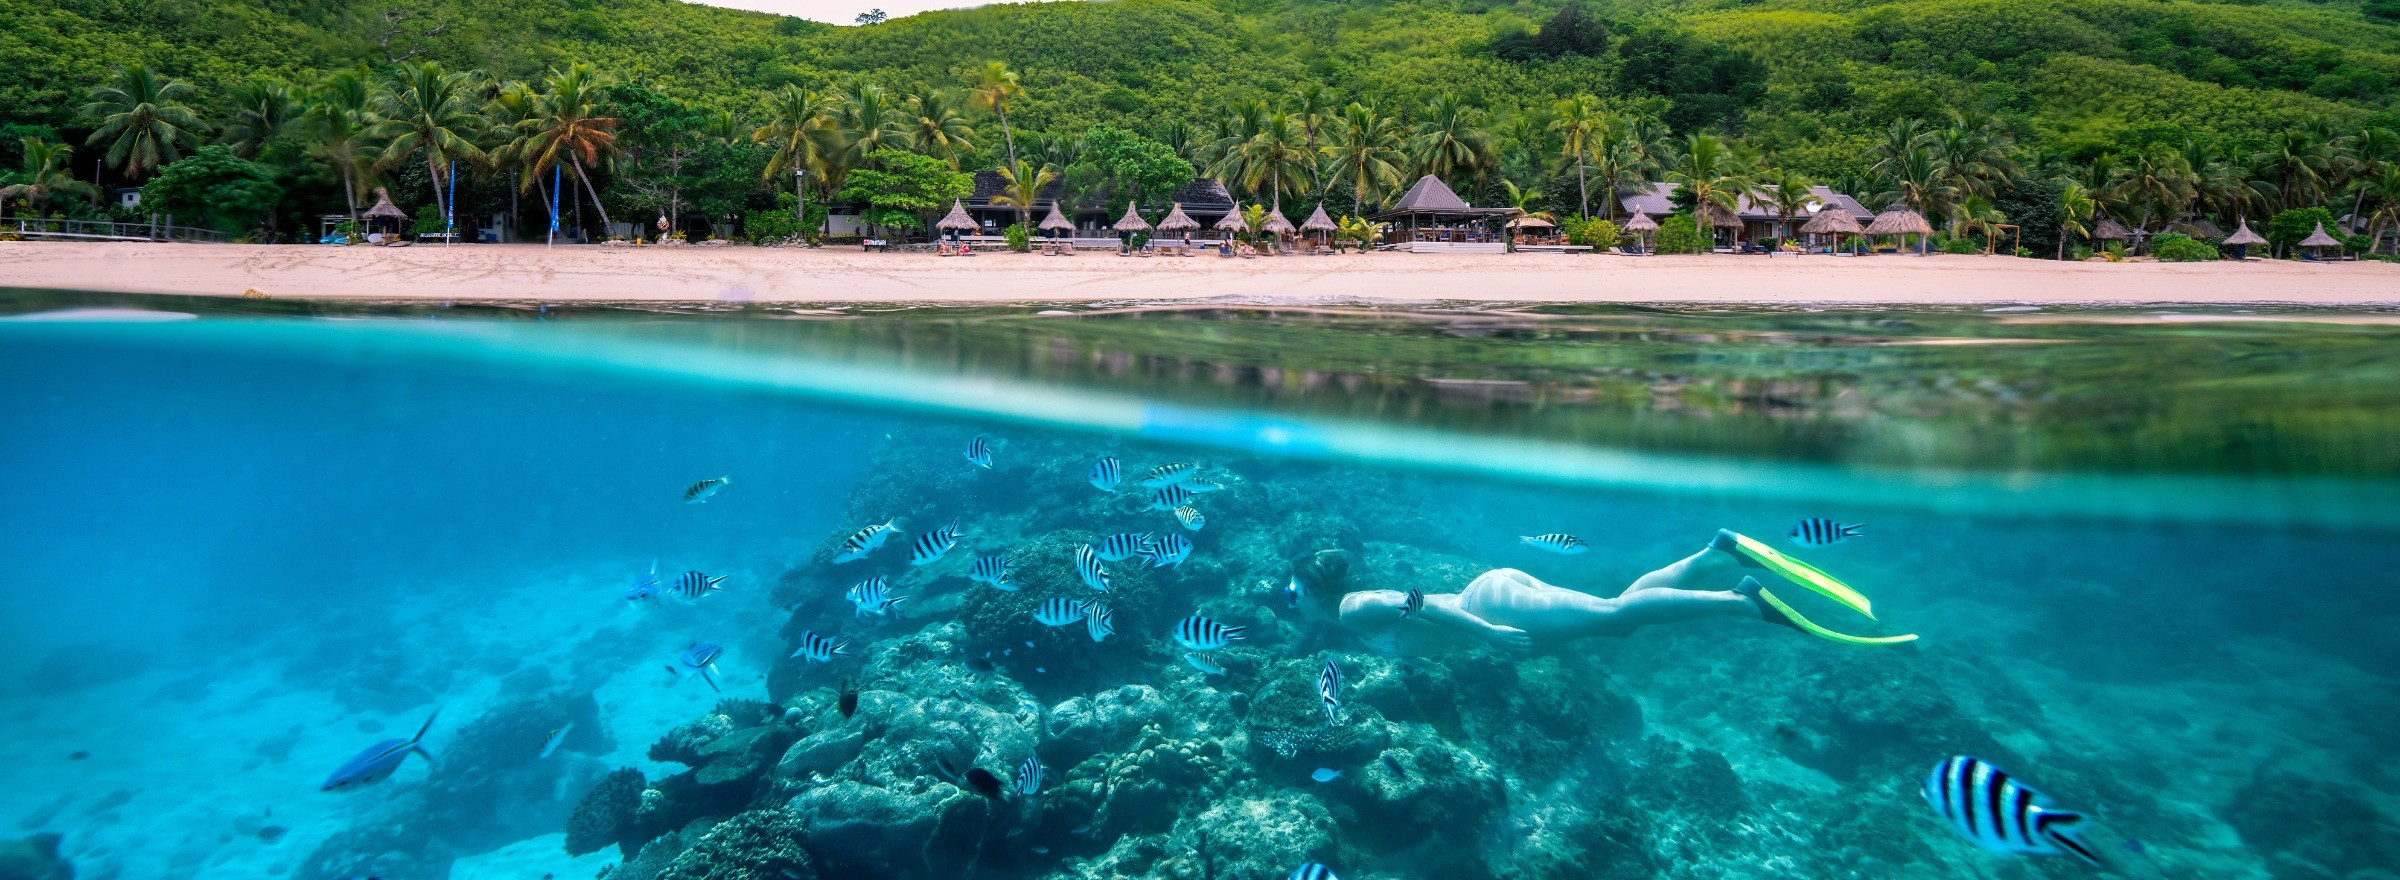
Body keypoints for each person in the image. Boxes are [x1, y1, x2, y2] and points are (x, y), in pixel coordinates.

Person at [1288, 530, 1912, 657]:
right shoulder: (1344, 607)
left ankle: (1743, 602)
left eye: (1292, 592)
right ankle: (1715, 555)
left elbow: (1416, 603)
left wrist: (1488, 634)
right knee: (1617, 617)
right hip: (1496, 593)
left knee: (1615, 614)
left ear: (1314, 590)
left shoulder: (1351, 608)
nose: (1287, 600)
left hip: (1492, 608)